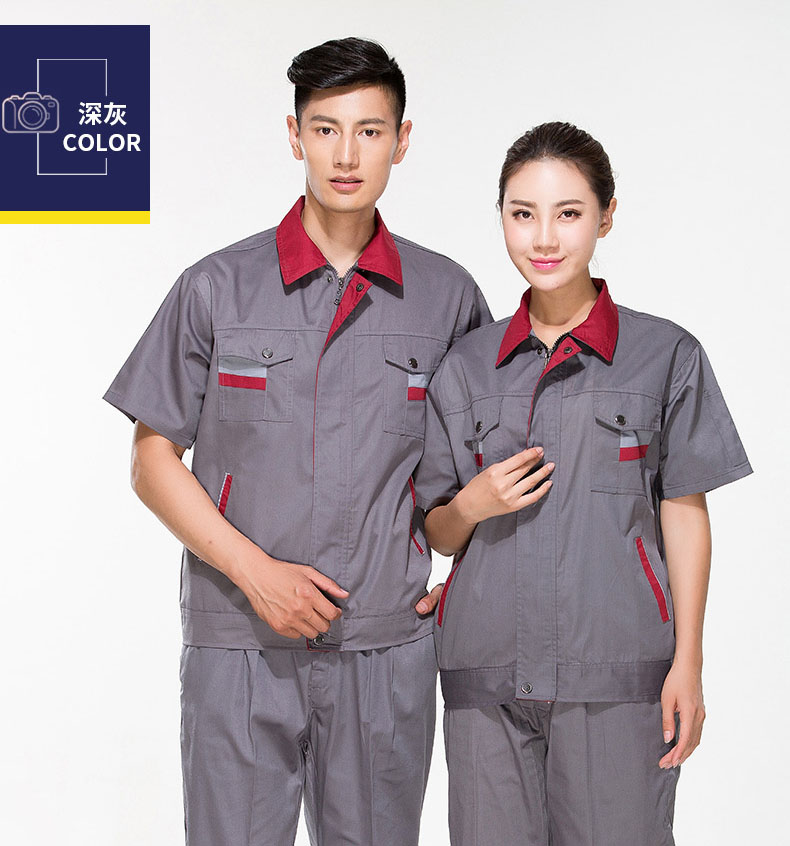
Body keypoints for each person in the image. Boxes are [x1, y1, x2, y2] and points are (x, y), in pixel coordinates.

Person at [103, 37, 491, 846]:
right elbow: (150, 460)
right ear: (294, 135)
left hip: (385, 647)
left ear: (401, 140)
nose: (347, 155)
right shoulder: (217, 287)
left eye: (369, 131)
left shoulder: (447, 298)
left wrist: (472, 585)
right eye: (325, 129)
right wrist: (257, 574)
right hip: (240, 641)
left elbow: (473, 482)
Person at [413, 121, 752, 846]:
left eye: (568, 213)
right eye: (523, 214)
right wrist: (474, 502)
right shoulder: (466, 367)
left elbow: (684, 510)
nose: (544, 238)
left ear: (606, 216)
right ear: (502, 217)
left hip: (618, 673)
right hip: (486, 674)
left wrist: (688, 661)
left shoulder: (665, 355)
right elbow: (437, 529)